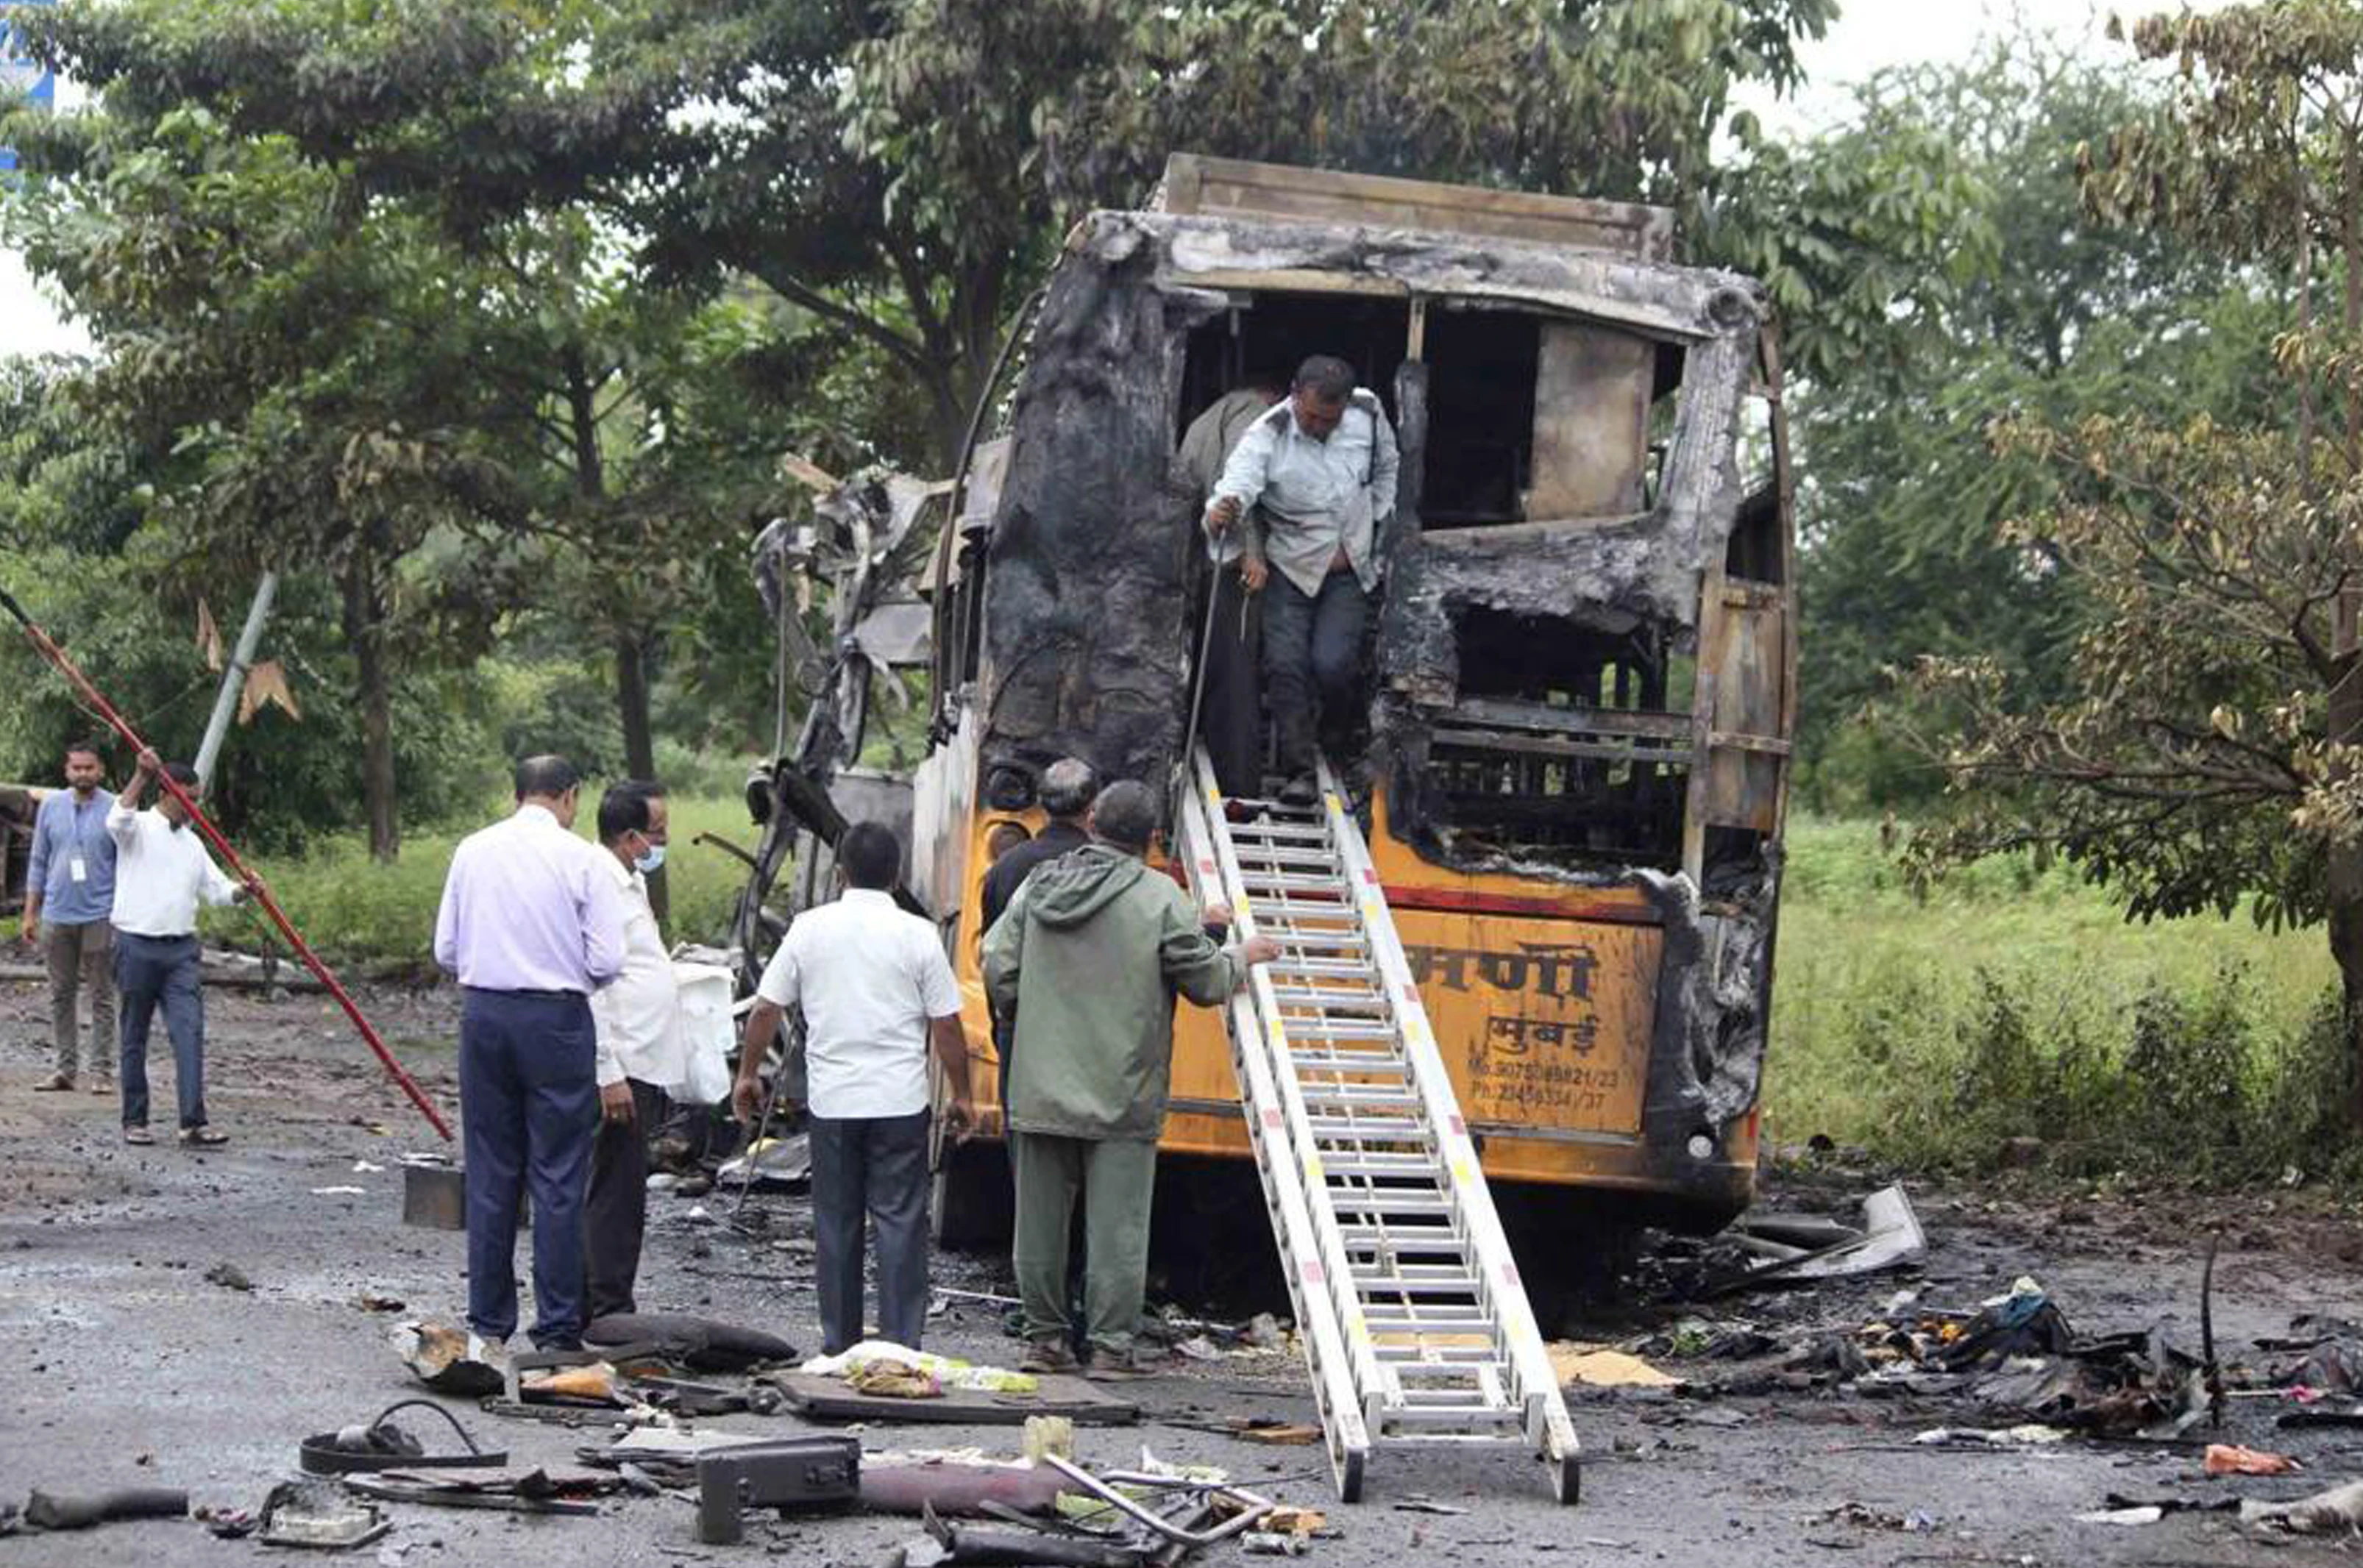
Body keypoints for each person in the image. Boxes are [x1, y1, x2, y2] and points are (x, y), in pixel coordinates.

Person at [980, 780, 1276, 1375]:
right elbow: (1206, 983)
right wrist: (1242, 954)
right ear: (1154, 839)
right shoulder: (1160, 896)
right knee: (1117, 1229)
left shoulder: (1043, 884)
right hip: (1123, 1089)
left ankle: (1046, 1342)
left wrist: (1031, 1014)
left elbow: (996, 964)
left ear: (1092, 822)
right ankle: (1112, 1349)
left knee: (1038, 1225)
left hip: (1039, 1083)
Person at [733, 822, 976, 1355]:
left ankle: (840, 1346)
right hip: (900, 1100)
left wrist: (748, 1074)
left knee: (836, 1222)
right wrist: (962, 1094)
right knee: (900, 1221)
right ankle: (900, 1347)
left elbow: (767, 1007)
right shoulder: (918, 934)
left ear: (840, 873)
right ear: (896, 878)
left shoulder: (809, 928)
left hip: (835, 1102)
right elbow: (947, 1026)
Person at [433, 755, 628, 1353]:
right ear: (569, 797)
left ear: (517, 794)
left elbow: (446, 948)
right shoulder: (584, 860)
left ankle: (488, 1326)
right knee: (559, 1176)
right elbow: (608, 961)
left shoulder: (473, 850)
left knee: (492, 1172)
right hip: (558, 1023)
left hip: (486, 1017)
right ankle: (557, 1328)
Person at [1206, 354, 1401, 803]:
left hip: (1350, 569)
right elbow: (1236, 486)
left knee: (1332, 665)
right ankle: (1299, 771)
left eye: (1328, 421)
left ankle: (1334, 740)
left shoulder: (1368, 413)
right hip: (1290, 568)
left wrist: (1379, 516)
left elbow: (1389, 467)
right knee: (1286, 667)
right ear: (1296, 395)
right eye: (1311, 416)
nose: (1317, 426)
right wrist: (1221, 512)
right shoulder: (1268, 435)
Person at [584, 780, 689, 1322]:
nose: (663, 842)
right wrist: (609, 1070)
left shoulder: (629, 881)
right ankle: (604, 1309)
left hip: (642, 1059)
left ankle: (604, 1302)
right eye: (658, 833)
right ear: (629, 838)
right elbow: (592, 984)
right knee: (614, 1193)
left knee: (623, 1191)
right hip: (621, 1062)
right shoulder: (600, 885)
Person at [107, 749, 246, 1147]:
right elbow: (116, 819)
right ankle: (135, 1120)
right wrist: (139, 775)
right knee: (134, 1033)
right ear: (168, 793)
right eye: (191, 798)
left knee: (189, 1032)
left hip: (181, 950)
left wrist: (244, 891)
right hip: (136, 945)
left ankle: (193, 1121)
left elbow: (219, 891)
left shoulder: (193, 844)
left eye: (198, 799)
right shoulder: (138, 827)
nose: (195, 807)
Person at [1177, 378, 1286, 798]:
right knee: (1237, 678)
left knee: (1216, 672)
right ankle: (1240, 785)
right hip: (1228, 563)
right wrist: (1250, 552)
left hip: (1199, 561)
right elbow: (1235, 483)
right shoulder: (1253, 413)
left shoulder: (1207, 419)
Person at [21, 739, 118, 1095]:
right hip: (57, 913)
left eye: (88, 767)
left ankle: (103, 1071)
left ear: (100, 770)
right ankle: (65, 1069)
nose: (82, 773)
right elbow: (39, 860)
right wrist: (31, 912)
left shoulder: (115, 808)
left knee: (101, 994)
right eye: (76, 767)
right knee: (60, 993)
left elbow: (125, 864)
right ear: (66, 770)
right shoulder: (51, 806)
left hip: (100, 913)